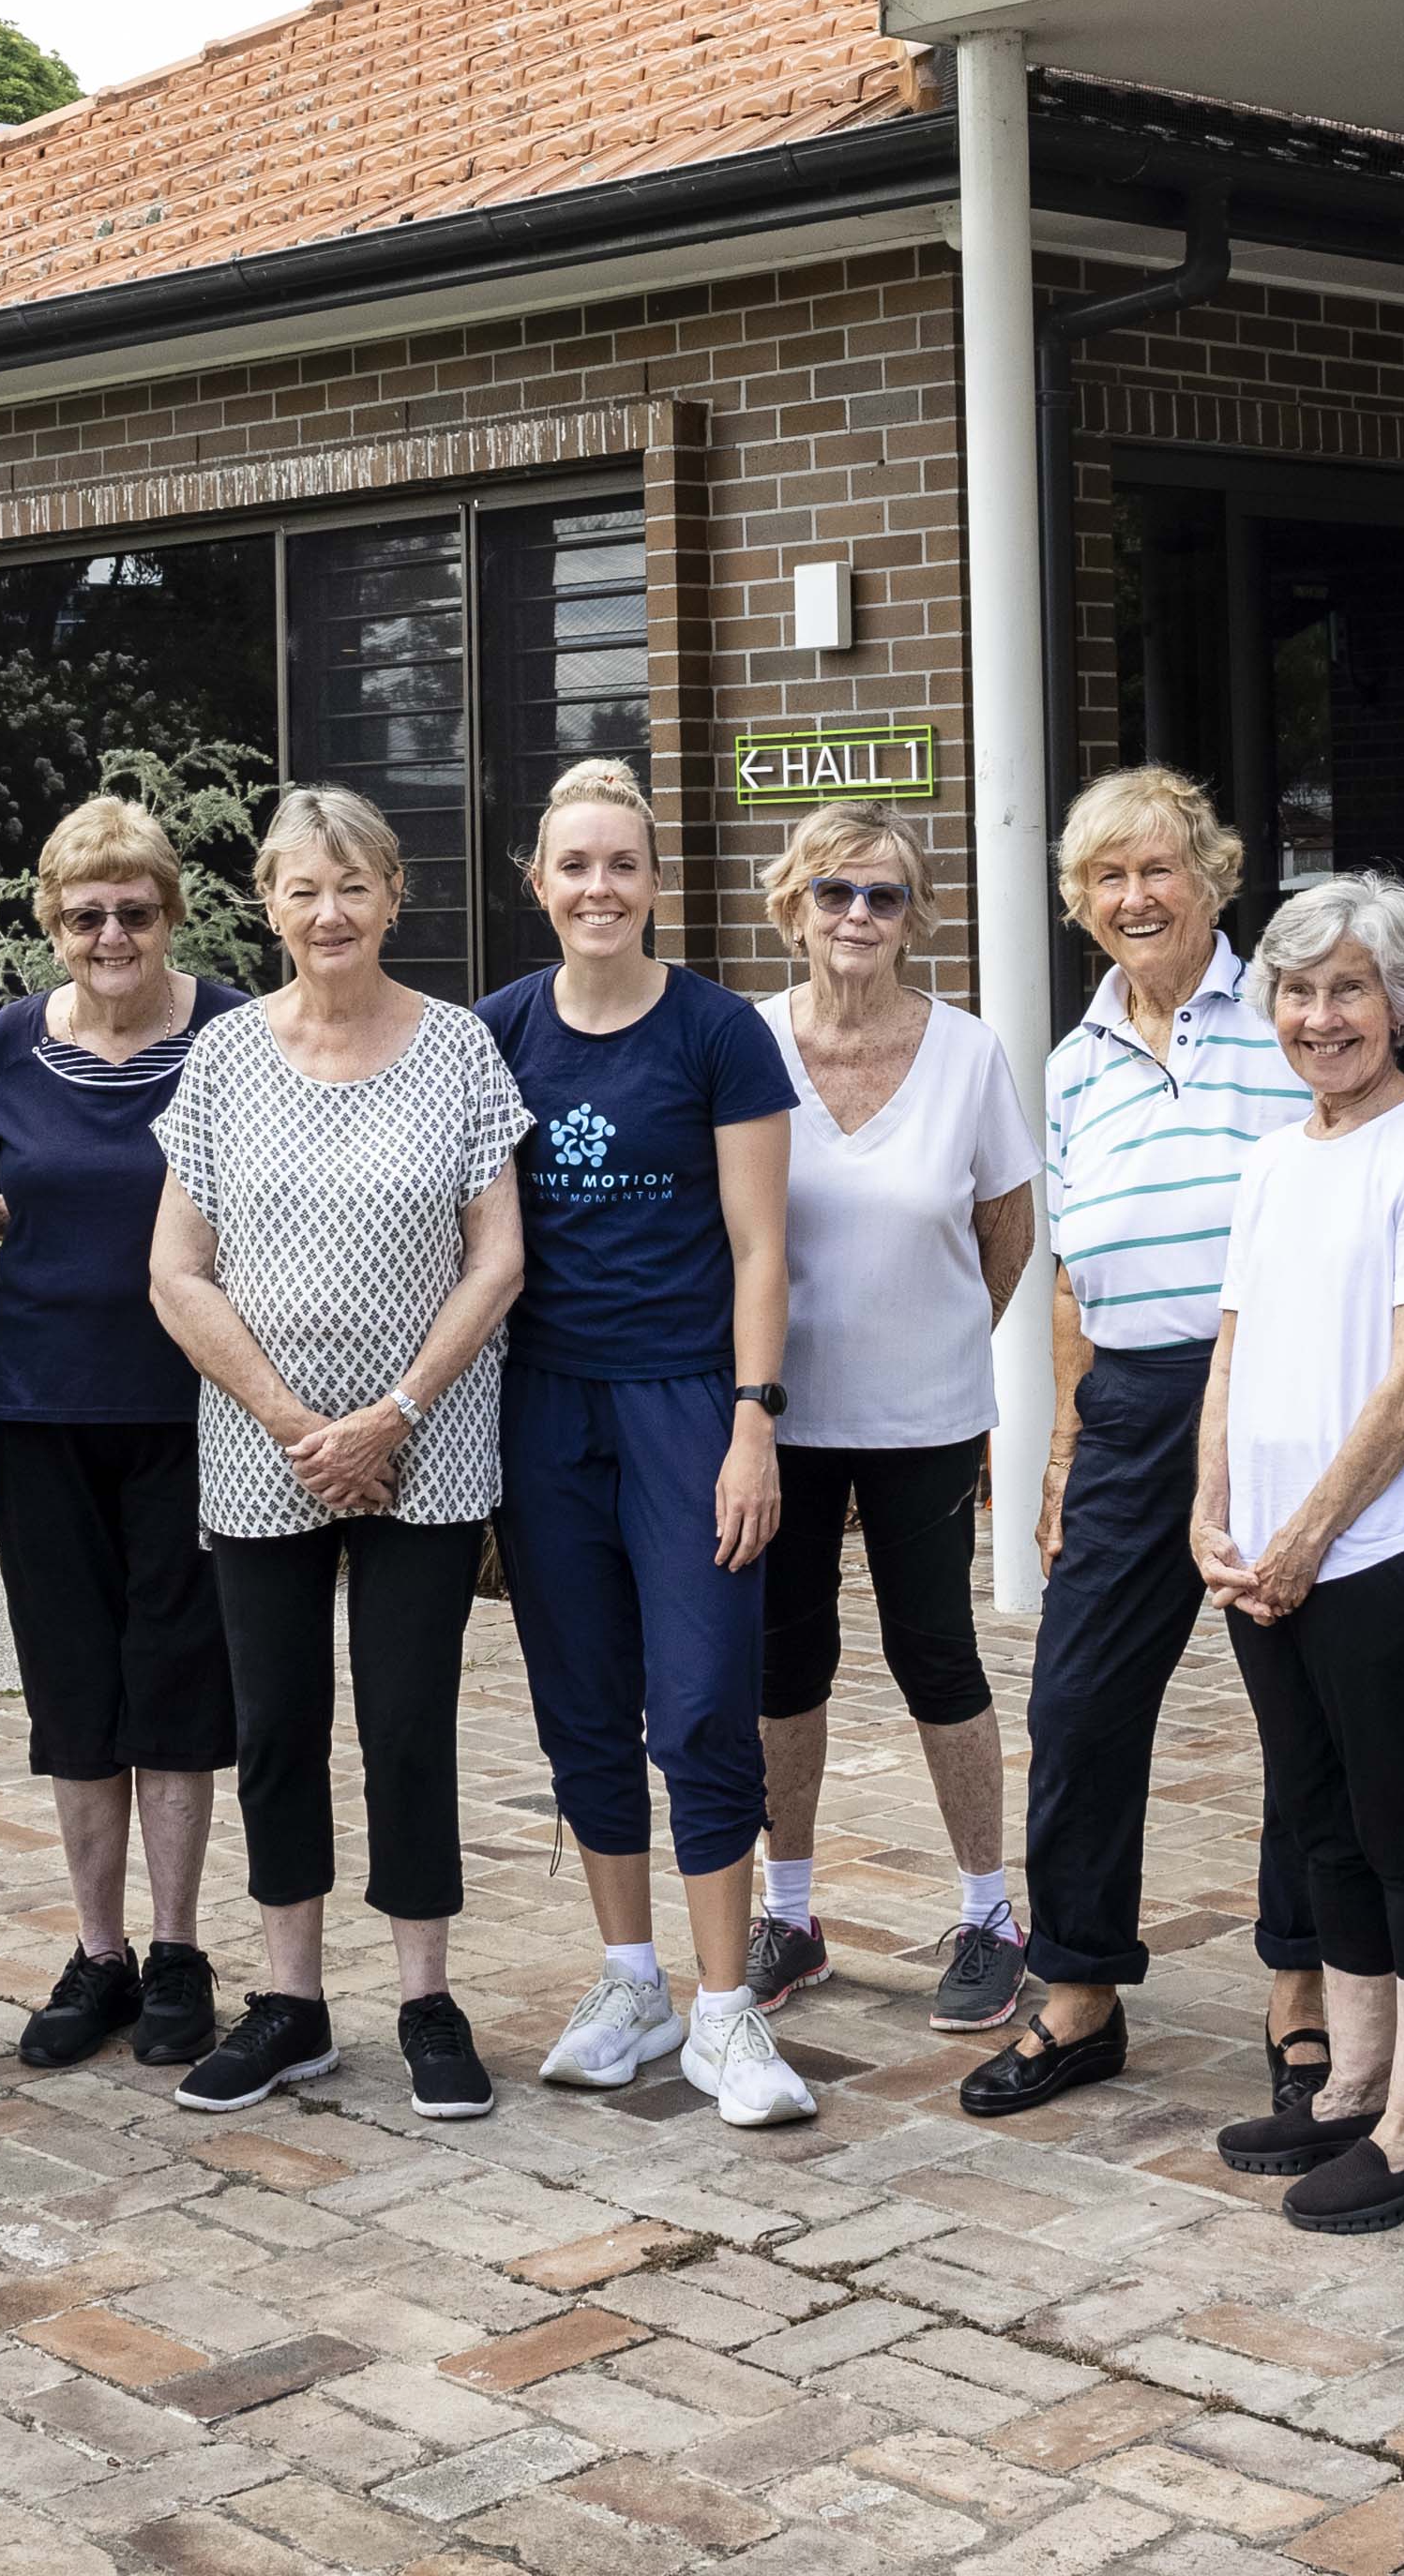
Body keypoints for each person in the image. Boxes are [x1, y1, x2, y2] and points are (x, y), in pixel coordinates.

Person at [146, 784, 530, 2117]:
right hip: (267, 1450)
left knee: (410, 1724)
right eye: (303, 889)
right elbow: (175, 1273)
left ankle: (427, 1998)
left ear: (393, 898)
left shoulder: (461, 1049)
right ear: (266, 903)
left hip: (428, 1440)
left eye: (354, 887)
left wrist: (395, 1414)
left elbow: (499, 1259)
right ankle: (292, 2000)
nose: (330, 913)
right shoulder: (225, 1059)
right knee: (276, 1729)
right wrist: (300, 1425)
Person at [966, 765, 1333, 2125]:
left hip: (1284, 1400)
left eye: (1158, 869)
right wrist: (1062, 1448)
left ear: (1214, 877)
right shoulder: (1069, 1066)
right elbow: (1065, 1277)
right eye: (1106, 878)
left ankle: (1302, 1998)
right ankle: (1077, 1993)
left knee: (1301, 1709)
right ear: (1080, 903)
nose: (1134, 896)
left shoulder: (1289, 1022)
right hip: (1127, 1407)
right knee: (1079, 1705)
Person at [479, 756, 814, 2130]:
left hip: (688, 1403)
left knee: (698, 1702)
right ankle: (631, 1982)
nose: (599, 887)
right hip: (547, 1403)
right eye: (576, 866)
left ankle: (728, 2011)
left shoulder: (721, 1033)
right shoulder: (496, 1032)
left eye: (624, 864)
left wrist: (752, 1423)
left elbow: (761, 1247)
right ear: (539, 884)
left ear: (657, 883)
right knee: (582, 1706)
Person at [1198, 872, 1404, 2236]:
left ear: (1403, 1005)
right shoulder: (1272, 1158)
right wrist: (1211, 1514)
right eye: (1300, 993)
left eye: (1351, 990)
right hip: (1263, 1563)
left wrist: (1311, 1533)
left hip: (1374, 1551)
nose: (1324, 1018)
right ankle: (1355, 2090)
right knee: (1321, 1825)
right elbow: (1235, 1346)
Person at [0, 791, 254, 2071]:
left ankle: (180, 1949)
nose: (112, 934)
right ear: (51, 927)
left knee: (180, 1679)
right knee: (75, 1683)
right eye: (86, 915)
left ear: (170, 914)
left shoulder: (237, 1034)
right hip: (44, 1407)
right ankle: (100, 1954)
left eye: (135, 910)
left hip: (199, 1408)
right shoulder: (13, 1043)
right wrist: (64, 1246)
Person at [737, 803, 1041, 2034]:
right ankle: (790, 1914)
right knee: (783, 1664)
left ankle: (987, 1918)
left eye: (884, 896)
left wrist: (941, 1334)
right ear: (792, 908)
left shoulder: (968, 1056)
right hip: (779, 1420)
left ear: (917, 917)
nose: (858, 916)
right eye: (834, 893)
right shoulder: (745, 1044)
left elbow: (1008, 1231)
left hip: (924, 1418)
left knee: (937, 1657)